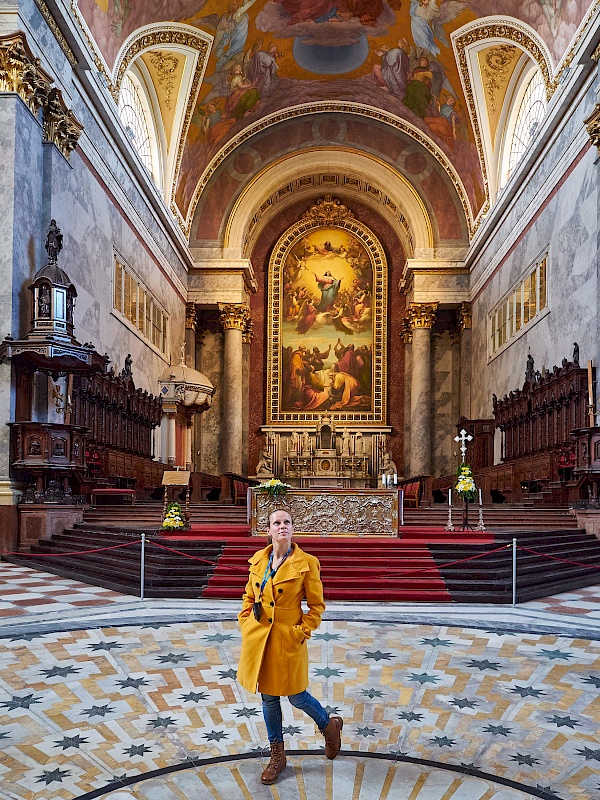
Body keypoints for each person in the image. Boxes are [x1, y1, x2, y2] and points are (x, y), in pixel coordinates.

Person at [237, 509, 343, 785]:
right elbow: (249, 596)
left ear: (293, 529)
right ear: (268, 530)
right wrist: (246, 622)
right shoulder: (259, 561)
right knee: (269, 698)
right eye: (276, 523)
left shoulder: (307, 563)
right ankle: (277, 756)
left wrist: (299, 632)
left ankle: (329, 727)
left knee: (296, 695)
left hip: (287, 638)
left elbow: (317, 607)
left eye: (286, 522)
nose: (282, 526)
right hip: (260, 639)